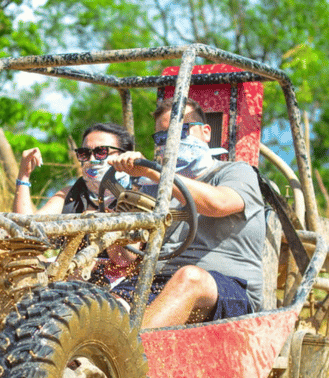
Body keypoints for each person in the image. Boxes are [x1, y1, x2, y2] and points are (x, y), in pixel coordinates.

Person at [108, 97, 265, 330]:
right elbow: (125, 258)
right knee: (104, 308)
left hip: (229, 290)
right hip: (156, 284)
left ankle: (126, 359)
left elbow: (217, 203)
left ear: (206, 132)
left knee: (189, 278)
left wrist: (155, 173)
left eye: (181, 131)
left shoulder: (236, 172)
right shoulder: (152, 187)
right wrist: (120, 204)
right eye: (163, 137)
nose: (171, 142)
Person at [13, 122, 139, 285]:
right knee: (18, 254)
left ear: (123, 155)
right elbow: (26, 231)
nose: (91, 160)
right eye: (85, 153)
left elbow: (125, 260)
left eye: (101, 152)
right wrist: (24, 176)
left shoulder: (136, 195)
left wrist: (108, 223)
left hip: (118, 287)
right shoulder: (71, 193)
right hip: (69, 280)